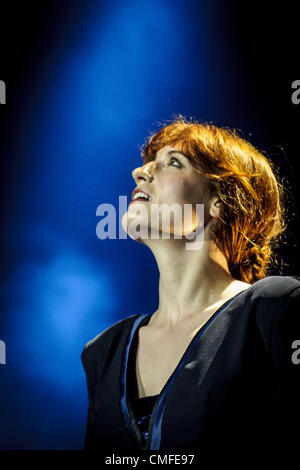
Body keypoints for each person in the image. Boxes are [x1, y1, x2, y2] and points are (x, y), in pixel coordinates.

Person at [81, 116, 300, 460]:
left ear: (218, 202)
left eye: (173, 162)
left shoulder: (275, 309)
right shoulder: (103, 351)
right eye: (146, 164)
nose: (140, 173)